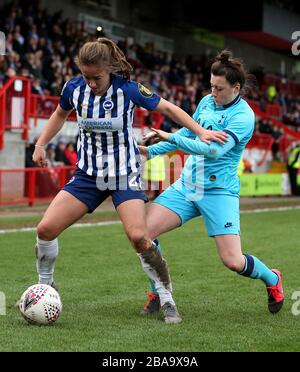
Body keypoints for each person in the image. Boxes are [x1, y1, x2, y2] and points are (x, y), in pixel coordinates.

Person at [23, 37, 227, 323]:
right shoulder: (73, 88)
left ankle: (166, 296)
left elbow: (167, 108)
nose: (91, 83)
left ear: (109, 69)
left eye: (97, 78)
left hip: (124, 175)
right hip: (88, 176)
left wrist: (200, 131)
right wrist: (41, 143)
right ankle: (47, 286)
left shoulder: (128, 90)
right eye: (86, 77)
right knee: (45, 229)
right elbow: (60, 114)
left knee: (139, 238)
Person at [138, 49, 284, 321]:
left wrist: (169, 136)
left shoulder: (243, 117)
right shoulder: (206, 102)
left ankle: (272, 278)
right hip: (187, 186)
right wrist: (151, 151)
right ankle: (158, 290)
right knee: (143, 235)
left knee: (233, 261)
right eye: (211, 86)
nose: (213, 92)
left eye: (219, 88)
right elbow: (187, 133)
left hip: (219, 192)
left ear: (236, 88)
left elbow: (214, 151)